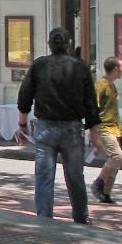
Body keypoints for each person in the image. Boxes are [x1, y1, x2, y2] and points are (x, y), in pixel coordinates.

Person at [17, 27, 102, 225]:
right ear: (69, 44)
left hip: (45, 128)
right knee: (75, 177)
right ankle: (81, 218)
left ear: (49, 45)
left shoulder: (39, 65)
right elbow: (91, 103)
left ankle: (45, 218)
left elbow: (24, 96)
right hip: (72, 129)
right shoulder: (81, 67)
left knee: (44, 176)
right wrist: (94, 134)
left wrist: (22, 124)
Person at [90, 56, 122, 205]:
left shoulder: (112, 86)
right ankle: (98, 183)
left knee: (116, 163)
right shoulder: (101, 86)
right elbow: (93, 109)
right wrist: (93, 133)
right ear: (116, 70)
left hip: (114, 128)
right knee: (117, 157)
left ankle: (106, 193)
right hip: (104, 128)